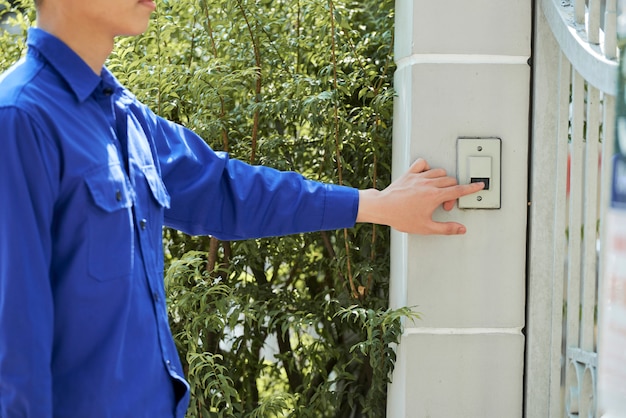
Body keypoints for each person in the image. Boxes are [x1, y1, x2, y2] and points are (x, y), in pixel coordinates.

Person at [0, 0, 484, 416]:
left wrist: (374, 204)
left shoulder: (123, 116)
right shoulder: (19, 121)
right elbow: (12, 347)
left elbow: (226, 190)